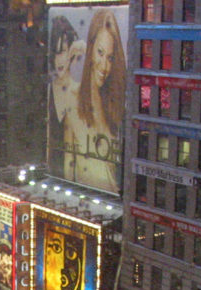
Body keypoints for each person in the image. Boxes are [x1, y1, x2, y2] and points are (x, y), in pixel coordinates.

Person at [63, 7, 125, 193]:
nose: (104, 66)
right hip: (84, 208)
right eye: (100, 52)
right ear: (90, 50)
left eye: (110, 57)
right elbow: (68, 172)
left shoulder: (116, 109)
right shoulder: (72, 103)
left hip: (117, 209)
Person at [48, 15, 83, 169]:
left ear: (71, 51)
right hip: (53, 175)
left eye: (63, 51)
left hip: (77, 177)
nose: (58, 60)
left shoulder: (79, 92)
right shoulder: (51, 89)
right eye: (55, 52)